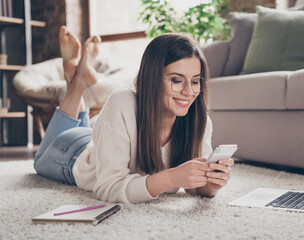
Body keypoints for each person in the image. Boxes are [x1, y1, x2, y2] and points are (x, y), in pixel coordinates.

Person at [33, 26, 234, 204]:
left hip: (102, 140)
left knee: (93, 137)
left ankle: (77, 77)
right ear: (153, 78)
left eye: (195, 81)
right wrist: (172, 177)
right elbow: (108, 188)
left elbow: (194, 185)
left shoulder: (199, 121)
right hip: (72, 153)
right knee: (39, 160)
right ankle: (75, 82)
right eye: (176, 80)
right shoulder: (122, 101)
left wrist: (212, 183)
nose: (189, 92)